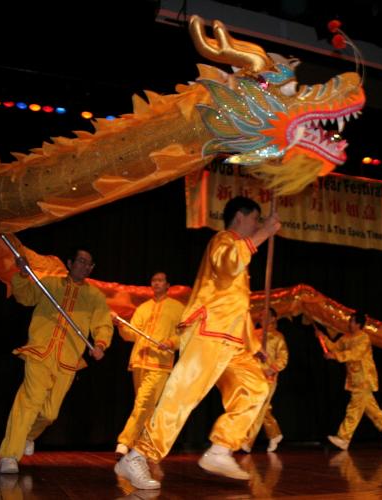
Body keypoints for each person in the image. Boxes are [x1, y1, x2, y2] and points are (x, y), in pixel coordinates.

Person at [114, 196, 281, 490]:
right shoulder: (223, 241)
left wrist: (255, 346)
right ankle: (138, 455)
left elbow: (237, 306)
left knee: (256, 387)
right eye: (255, 219)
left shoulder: (242, 251)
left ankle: (220, 449)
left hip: (233, 342)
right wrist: (263, 234)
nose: (257, 224)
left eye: (259, 222)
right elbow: (228, 265)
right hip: (209, 332)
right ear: (240, 217)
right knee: (181, 397)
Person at [0, 249, 112, 474]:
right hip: (40, 352)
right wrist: (22, 274)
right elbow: (25, 296)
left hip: (68, 360)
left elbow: (103, 323)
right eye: (80, 261)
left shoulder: (94, 296)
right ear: (70, 263)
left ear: (91, 269)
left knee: (50, 414)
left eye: (88, 264)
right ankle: (10, 455)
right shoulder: (49, 284)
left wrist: (100, 344)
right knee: (29, 402)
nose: (84, 265)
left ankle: (28, 436)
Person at [114, 271, 185, 455]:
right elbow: (132, 334)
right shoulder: (143, 308)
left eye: (160, 280)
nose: (157, 283)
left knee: (143, 403)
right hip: (139, 361)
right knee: (145, 406)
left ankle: (125, 442)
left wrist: (170, 342)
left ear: (167, 284)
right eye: (154, 280)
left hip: (159, 364)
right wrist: (121, 325)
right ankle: (145, 445)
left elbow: (184, 335)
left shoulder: (177, 308)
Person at [320, 311, 382, 450]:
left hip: (364, 377)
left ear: (358, 324)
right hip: (354, 378)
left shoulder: (364, 338)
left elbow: (355, 354)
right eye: (350, 321)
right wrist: (323, 338)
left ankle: (343, 438)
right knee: (370, 407)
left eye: (352, 321)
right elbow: (334, 347)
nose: (349, 323)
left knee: (354, 408)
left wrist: (335, 356)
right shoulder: (346, 338)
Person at [241, 307, 288, 453]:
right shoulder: (254, 334)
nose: (262, 318)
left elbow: (283, 358)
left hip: (268, 377)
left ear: (273, 319)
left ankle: (248, 442)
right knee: (262, 408)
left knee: (259, 407)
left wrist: (272, 368)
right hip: (254, 375)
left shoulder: (278, 336)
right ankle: (275, 434)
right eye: (261, 315)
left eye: (266, 315)